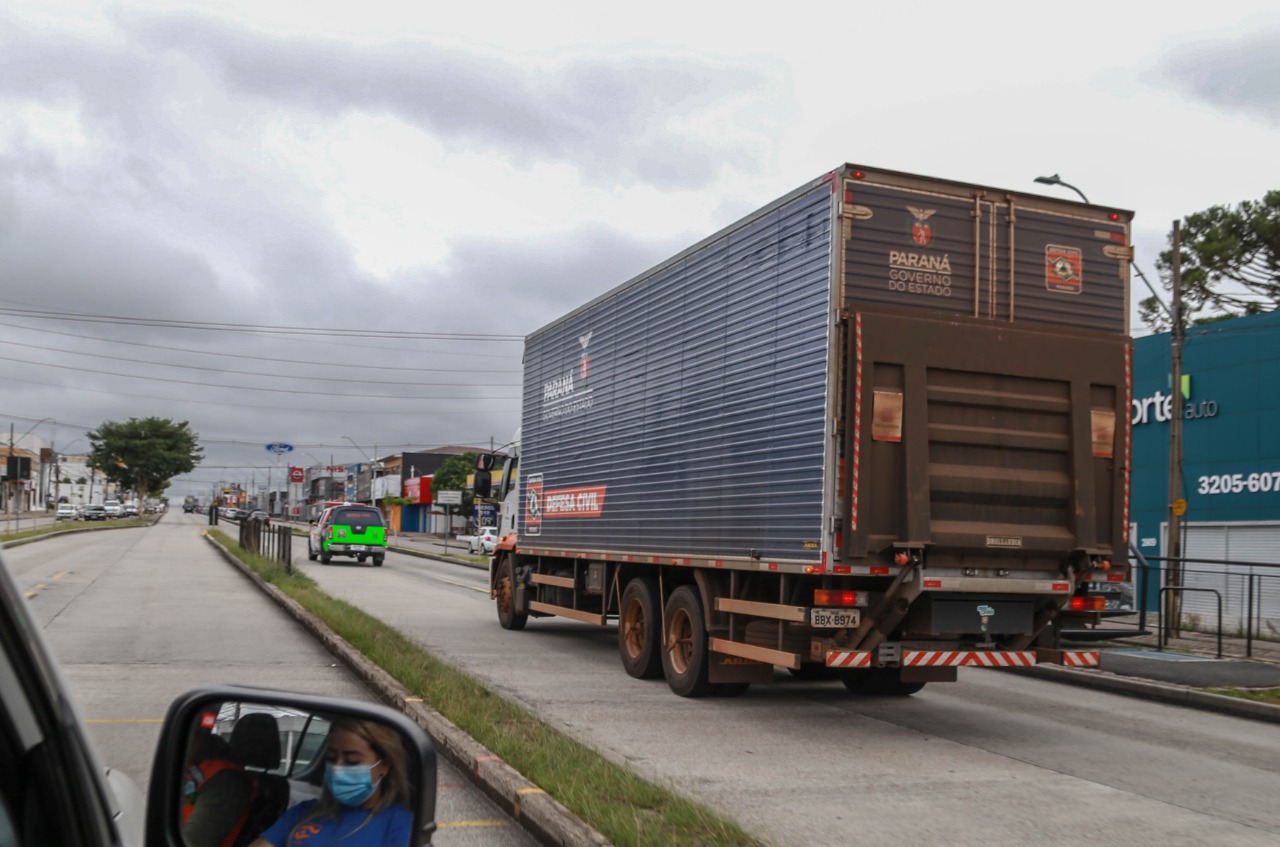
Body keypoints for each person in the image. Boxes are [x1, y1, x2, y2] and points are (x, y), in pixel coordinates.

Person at [249, 718, 412, 847]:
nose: (337, 768)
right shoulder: (303, 812)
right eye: (331, 758)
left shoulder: (401, 824)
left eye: (352, 761)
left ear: (384, 765)